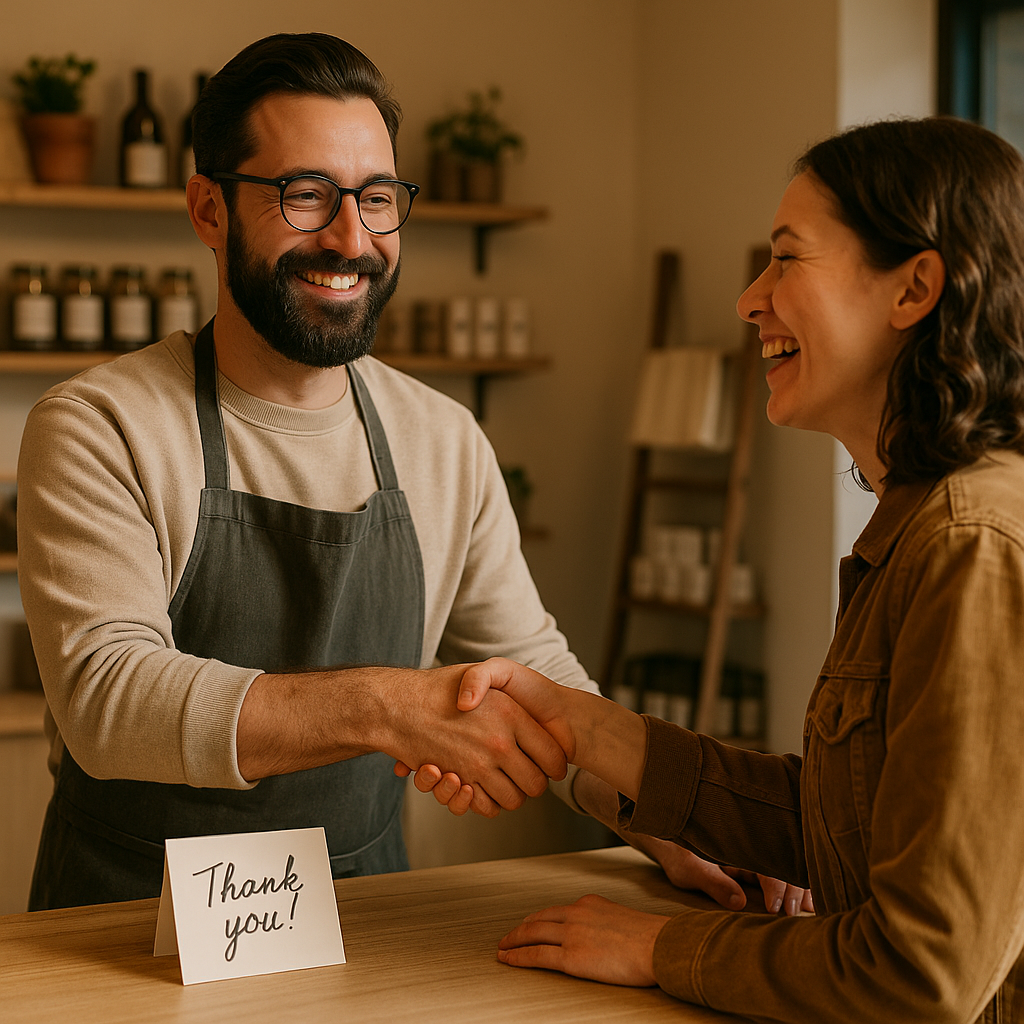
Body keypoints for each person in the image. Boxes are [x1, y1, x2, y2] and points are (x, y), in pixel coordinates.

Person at [17, 32, 799, 916]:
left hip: (361, 921)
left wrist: (671, 818)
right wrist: (385, 706)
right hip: (122, 926)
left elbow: (533, 671)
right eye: (305, 195)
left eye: (377, 198)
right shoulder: (100, 425)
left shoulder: (441, 438)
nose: (352, 238)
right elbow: (106, 695)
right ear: (209, 208)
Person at [414, 116, 1024, 1023]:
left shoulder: (971, 547)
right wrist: (583, 726)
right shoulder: (920, 529)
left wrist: (658, 946)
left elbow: (922, 972)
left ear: (914, 289)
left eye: (787, 260)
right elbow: (837, 824)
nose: (749, 298)